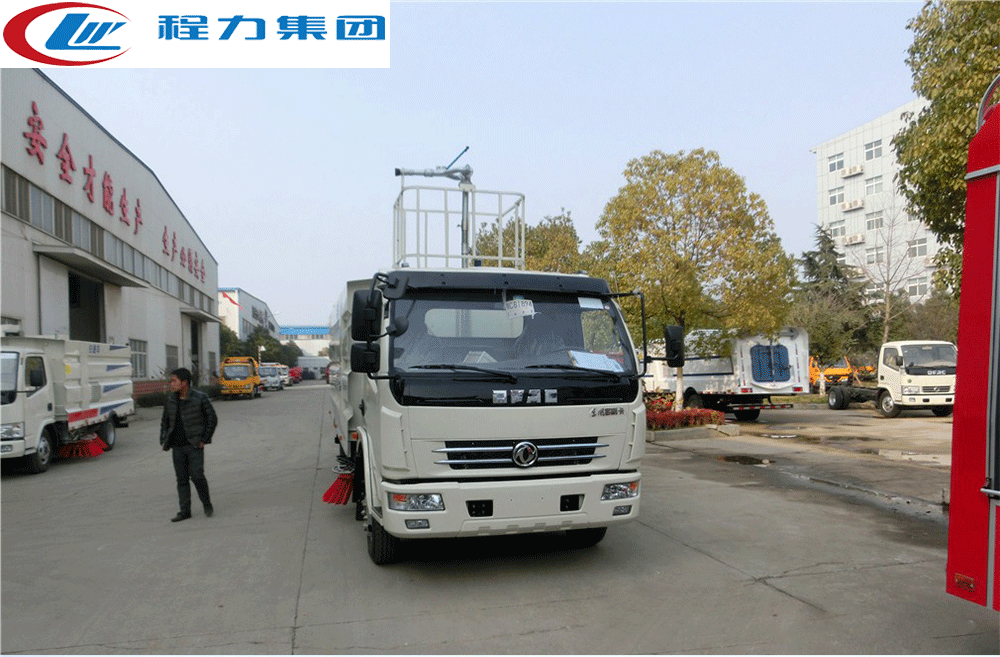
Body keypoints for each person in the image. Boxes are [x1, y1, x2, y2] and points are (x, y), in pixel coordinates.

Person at [160, 367, 217, 522]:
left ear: (184, 382)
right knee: (182, 479)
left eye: (174, 381)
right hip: (177, 446)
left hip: (194, 445)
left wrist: (204, 439)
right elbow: (165, 422)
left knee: (197, 476)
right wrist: (164, 439)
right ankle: (185, 511)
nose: (171, 384)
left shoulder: (200, 398)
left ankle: (207, 504)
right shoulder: (171, 400)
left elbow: (212, 419)